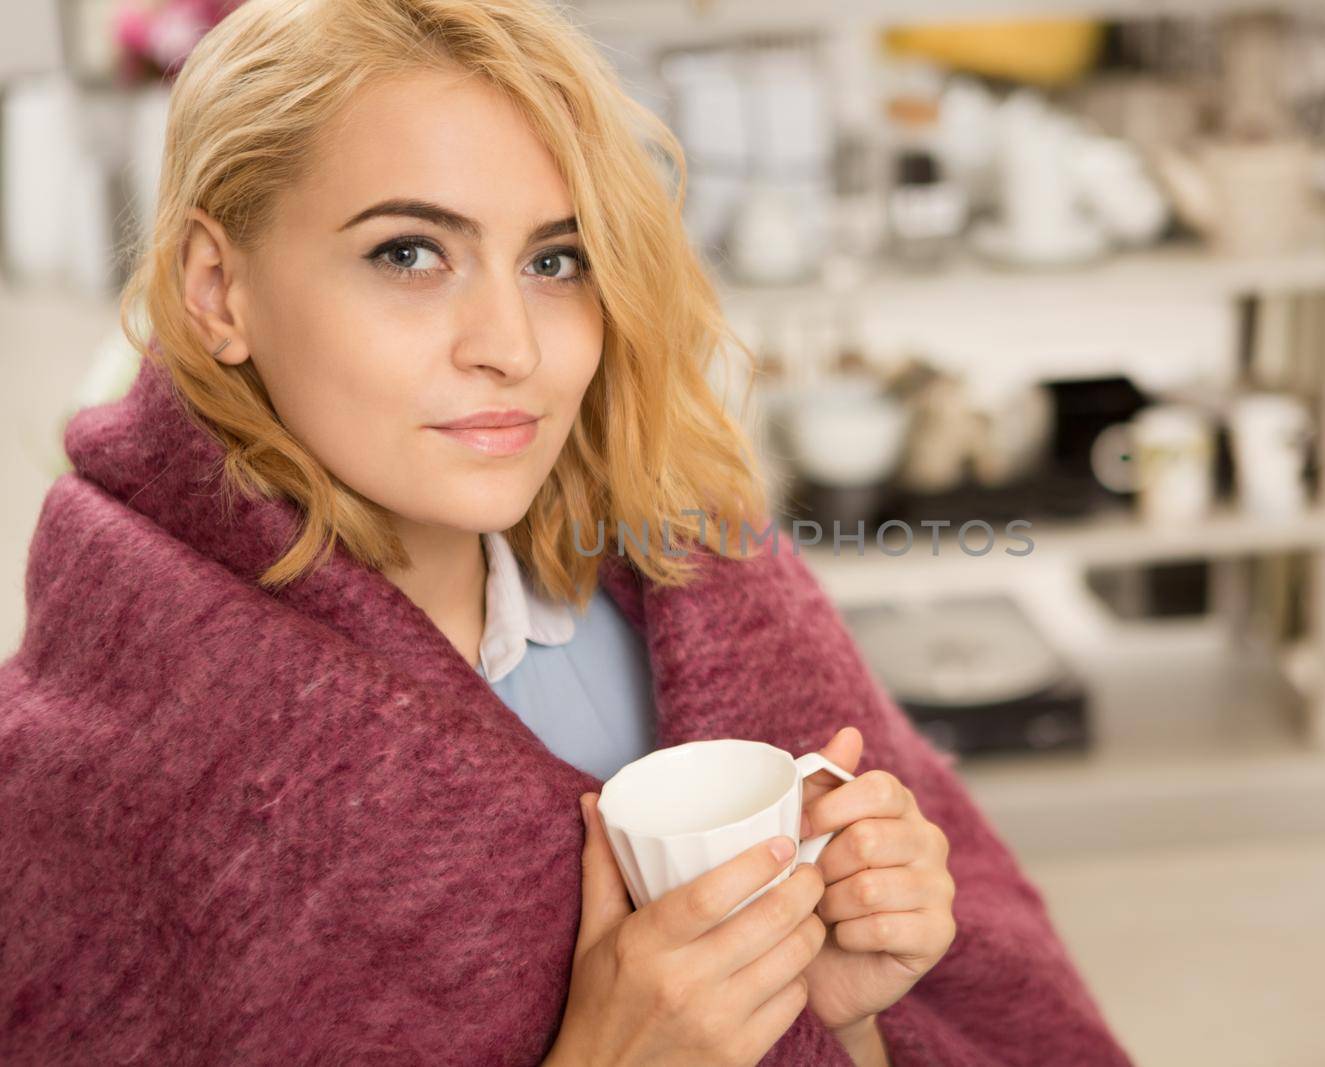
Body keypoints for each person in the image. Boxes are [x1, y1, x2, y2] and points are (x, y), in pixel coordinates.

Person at [0, 2, 1134, 1065]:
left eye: (555, 260)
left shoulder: (701, 570)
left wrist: (843, 1005)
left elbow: (981, 1004)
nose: (510, 344)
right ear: (217, 289)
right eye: (409, 252)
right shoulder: (109, 776)